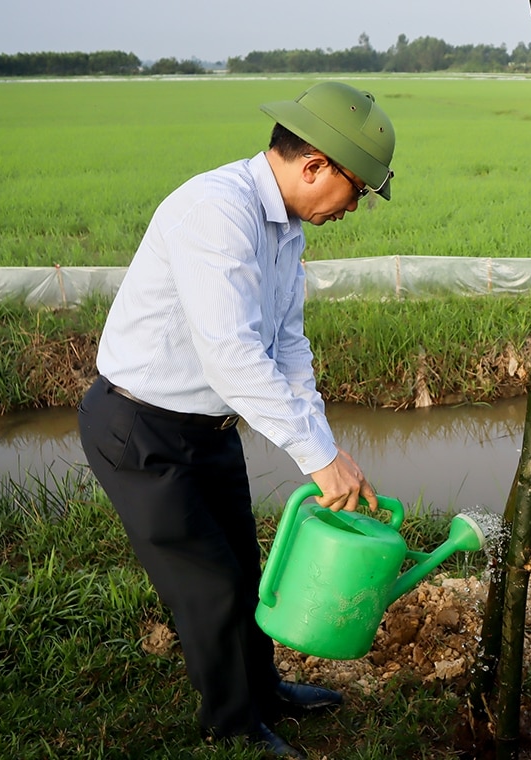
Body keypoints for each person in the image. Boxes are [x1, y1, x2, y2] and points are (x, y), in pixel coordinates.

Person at [78, 81, 395, 758]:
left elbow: (286, 347)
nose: (354, 206)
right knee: (211, 585)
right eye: (357, 189)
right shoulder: (217, 213)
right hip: (140, 429)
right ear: (315, 166)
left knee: (245, 569)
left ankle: (266, 691)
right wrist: (314, 456)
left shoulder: (284, 231)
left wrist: (327, 447)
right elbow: (233, 355)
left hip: (205, 429)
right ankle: (233, 726)